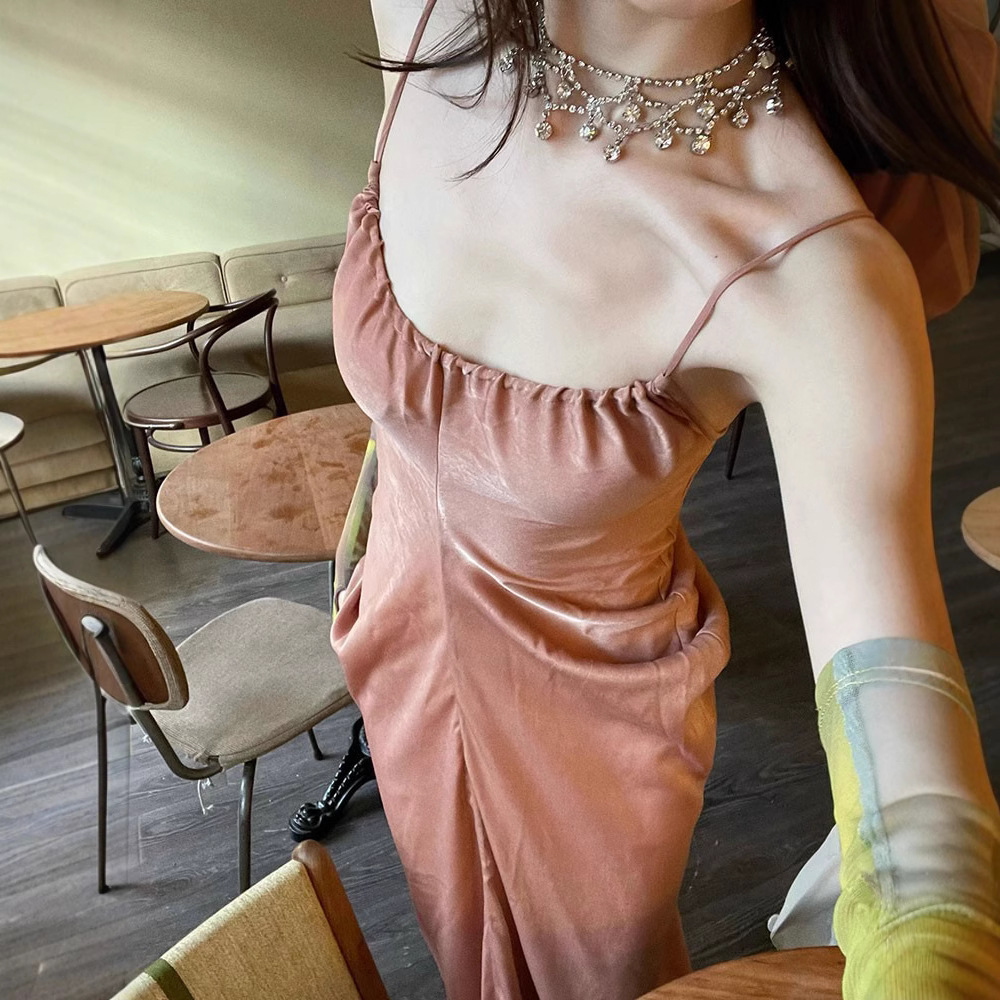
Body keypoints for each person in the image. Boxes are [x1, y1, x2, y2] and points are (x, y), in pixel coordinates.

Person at [329, 1, 1000, 997]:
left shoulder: (812, 273)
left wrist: (931, 963)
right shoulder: (422, 14)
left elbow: (915, 803)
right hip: (395, 657)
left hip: (582, 737)